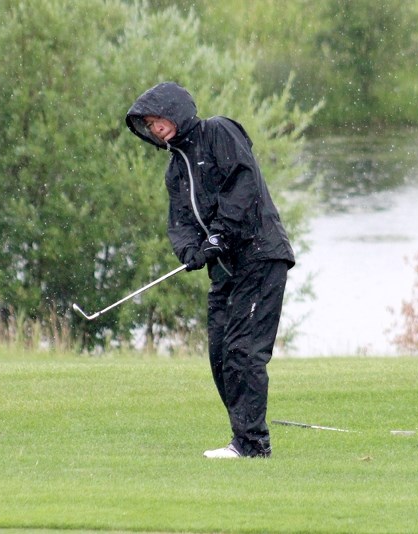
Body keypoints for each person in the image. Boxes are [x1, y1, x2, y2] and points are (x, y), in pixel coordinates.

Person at [126, 82, 295, 459]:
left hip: (260, 255)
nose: (156, 128)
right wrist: (191, 251)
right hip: (224, 270)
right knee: (220, 354)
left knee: (244, 350)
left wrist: (221, 233)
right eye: (150, 125)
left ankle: (252, 445)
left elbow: (243, 182)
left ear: (176, 111)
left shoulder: (218, 131)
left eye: (159, 119)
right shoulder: (175, 170)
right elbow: (180, 222)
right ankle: (244, 438)